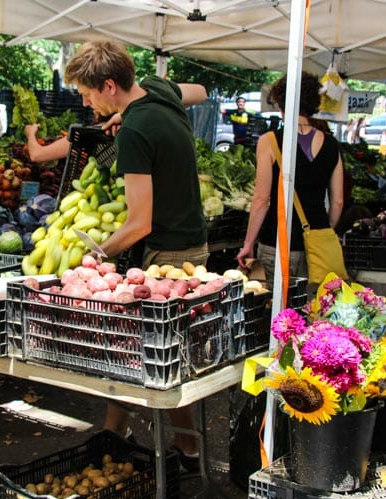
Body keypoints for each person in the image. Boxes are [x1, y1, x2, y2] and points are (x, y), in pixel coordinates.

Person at [64, 40, 208, 471]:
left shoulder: (136, 134)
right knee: (138, 354)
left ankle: (189, 452)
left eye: (88, 94)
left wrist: (93, 257)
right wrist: (128, 111)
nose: (86, 103)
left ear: (109, 85)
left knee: (159, 363)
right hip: (191, 241)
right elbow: (198, 89)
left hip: (168, 253)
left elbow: (139, 223)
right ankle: (116, 433)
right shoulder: (156, 88)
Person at [236, 71, 344, 295]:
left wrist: (248, 243)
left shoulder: (270, 141)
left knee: (279, 316)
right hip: (317, 244)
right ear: (314, 102)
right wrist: (322, 234)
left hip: (277, 243)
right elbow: (338, 202)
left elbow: (261, 199)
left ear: (281, 103)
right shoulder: (332, 144)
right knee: (314, 313)